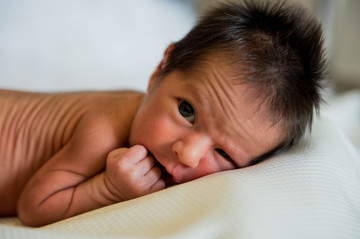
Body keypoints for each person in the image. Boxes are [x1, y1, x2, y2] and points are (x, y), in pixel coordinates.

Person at [0, 0, 326, 227]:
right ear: (160, 69)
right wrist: (108, 190)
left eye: (224, 153)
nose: (188, 154)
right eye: (187, 111)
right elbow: (33, 207)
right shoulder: (104, 130)